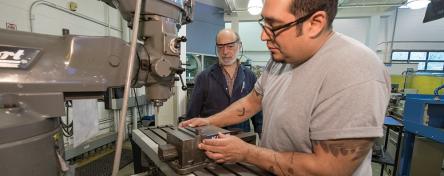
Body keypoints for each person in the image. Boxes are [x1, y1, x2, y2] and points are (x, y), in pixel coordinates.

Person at [180, 0, 391, 175]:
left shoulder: (357, 71)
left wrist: (247, 153)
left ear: (315, 23)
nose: (263, 36)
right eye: (265, 23)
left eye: (274, 26)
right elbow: (253, 101)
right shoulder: (281, 59)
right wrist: (208, 121)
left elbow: (330, 169)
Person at [186, 29, 263, 135]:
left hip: (241, 138)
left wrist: (261, 134)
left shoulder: (250, 76)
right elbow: (192, 114)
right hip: (212, 138)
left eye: (230, 46)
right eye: (220, 47)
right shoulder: (204, 77)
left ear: (239, 46)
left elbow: (258, 115)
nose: (225, 52)